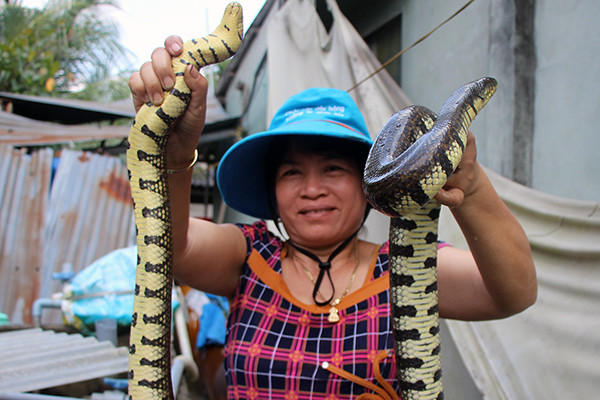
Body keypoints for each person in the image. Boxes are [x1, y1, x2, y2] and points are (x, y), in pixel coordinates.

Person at [129, 36, 537, 399]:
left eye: (333, 169)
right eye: (292, 172)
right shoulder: (249, 255)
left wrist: (472, 185)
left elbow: (514, 291)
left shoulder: (404, 264)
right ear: (271, 190)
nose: (312, 189)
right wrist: (174, 153)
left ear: (366, 183)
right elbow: (173, 248)